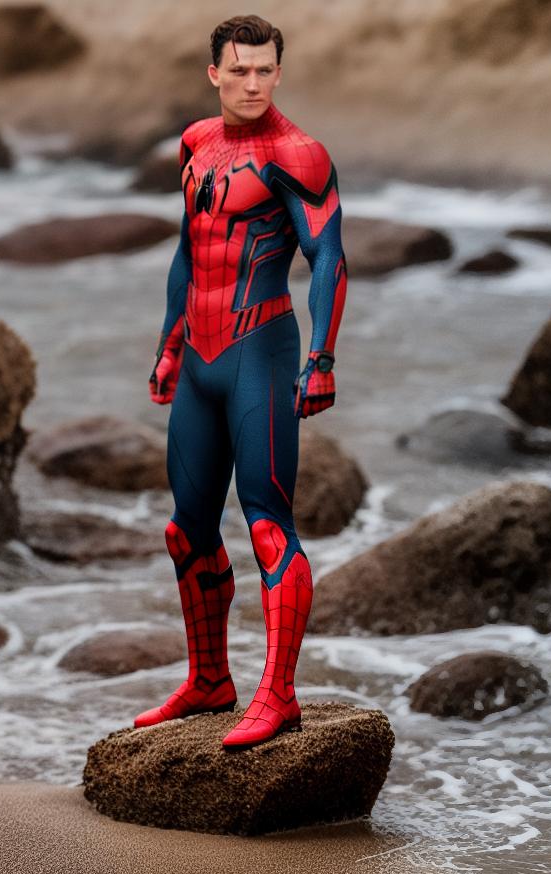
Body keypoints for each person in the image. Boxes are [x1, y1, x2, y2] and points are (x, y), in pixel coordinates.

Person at [133, 14, 347, 748]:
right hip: (199, 362)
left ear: (277, 73)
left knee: (266, 526)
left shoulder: (300, 155)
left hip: (261, 350)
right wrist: (167, 347)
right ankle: (209, 681)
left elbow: (329, 258)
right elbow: (189, 251)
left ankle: (279, 695)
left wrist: (320, 360)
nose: (253, 82)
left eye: (266, 70)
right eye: (240, 69)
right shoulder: (196, 144)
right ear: (214, 73)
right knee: (185, 531)